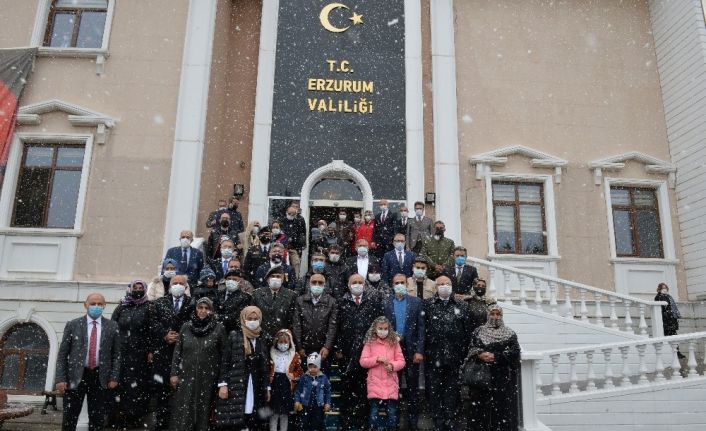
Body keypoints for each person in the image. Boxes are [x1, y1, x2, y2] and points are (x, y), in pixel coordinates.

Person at [55, 293, 120, 431]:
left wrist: (114, 377)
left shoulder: (112, 326)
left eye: (99, 304)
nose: (96, 307)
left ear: (104, 306)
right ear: (85, 305)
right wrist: (60, 378)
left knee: (97, 419)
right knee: (70, 418)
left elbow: (116, 355)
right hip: (76, 376)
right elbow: (62, 354)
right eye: (92, 304)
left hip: (100, 377)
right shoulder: (73, 325)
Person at [335, 273, 385, 431]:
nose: (357, 285)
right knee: (346, 390)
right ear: (349, 285)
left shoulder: (373, 301)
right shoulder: (341, 302)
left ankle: (364, 422)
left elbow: (378, 325)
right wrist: (338, 348)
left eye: (360, 282)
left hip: (367, 354)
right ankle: (345, 422)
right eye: (354, 282)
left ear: (365, 285)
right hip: (347, 353)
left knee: (365, 391)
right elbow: (335, 326)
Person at [170, 297, 227, 431]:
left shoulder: (219, 328)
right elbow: (177, 352)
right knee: (185, 410)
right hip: (186, 376)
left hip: (209, 377)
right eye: (200, 308)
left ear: (211, 311)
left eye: (207, 308)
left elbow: (224, 356)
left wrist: (222, 380)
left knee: (204, 411)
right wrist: (174, 373)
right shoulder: (186, 327)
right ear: (195, 309)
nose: (203, 311)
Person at [424, 276, 472, 430]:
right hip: (433, 356)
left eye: (448, 284)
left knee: (452, 390)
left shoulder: (462, 305)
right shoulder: (428, 305)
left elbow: (467, 332)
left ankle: (450, 418)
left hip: (455, 356)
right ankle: (438, 419)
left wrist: (465, 353)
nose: (445, 286)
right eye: (441, 284)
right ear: (436, 287)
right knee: (434, 389)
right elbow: (422, 331)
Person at [465, 305, 521, 431]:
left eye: (498, 314)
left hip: (502, 378)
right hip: (481, 377)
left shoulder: (510, 333)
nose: (495, 317)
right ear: (488, 315)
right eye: (492, 314)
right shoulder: (478, 331)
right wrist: (480, 354)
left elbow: (515, 352)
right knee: (480, 410)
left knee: (501, 410)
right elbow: (471, 348)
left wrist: (496, 356)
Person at [216, 306, 272, 431]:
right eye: (249, 318)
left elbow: (264, 366)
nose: (252, 321)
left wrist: (267, 387)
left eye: (255, 318)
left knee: (253, 417)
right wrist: (223, 384)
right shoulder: (234, 336)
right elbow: (225, 361)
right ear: (243, 319)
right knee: (235, 419)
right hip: (237, 384)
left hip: (256, 384)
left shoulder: (261, 338)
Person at [109, 280, 156, 428]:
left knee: (136, 386)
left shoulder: (149, 307)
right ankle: (115, 417)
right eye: (135, 287)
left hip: (139, 354)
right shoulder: (122, 307)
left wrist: (150, 350)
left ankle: (133, 418)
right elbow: (113, 326)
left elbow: (152, 330)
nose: (137, 290)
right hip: (121, 352)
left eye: (140, 288)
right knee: (118, 383)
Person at [152, 275, 194, 431]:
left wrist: (181, 337)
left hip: (184, 353)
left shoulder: (192, 304)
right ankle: (161, 424)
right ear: (169, 286)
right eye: (175, 283)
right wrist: (165, 334)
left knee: (182, 391)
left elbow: (193, 323)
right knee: (162, 390)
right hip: (163, 352)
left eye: (181, 283)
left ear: (186, 286)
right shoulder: (159, 303)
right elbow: (153, 324)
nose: (178, 285)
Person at [384, 274, 425, 431]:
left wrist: (419, 350)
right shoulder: (386, 303)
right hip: (393, 351)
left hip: (411, 350)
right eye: (397, 283)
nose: (399, 285)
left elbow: (421, 328)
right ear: (392, 285)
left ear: (407, 284)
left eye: (402, 282)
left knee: (413, 388)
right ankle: (393, 422)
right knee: (393, 387)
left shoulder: (416, 302)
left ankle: (412, 423)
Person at [359, 316, 406, 431]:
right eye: (380, 328)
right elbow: (363, 361)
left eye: (385, 328)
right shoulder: (369, 342)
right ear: (375, 328)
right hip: (375, 384)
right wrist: (377, 359)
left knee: (392, 412)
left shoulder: (394, 343)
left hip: (391, 383)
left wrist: (392, 366)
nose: (382, 331)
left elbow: (401, 361)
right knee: (373, 412)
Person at [293, 273, 338, 372]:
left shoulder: (332, 302)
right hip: (305, 349)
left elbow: (332, 326)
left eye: (320, 283)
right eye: (314, 282)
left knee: (323, 380)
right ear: (309, 284)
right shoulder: (300, 301)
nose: (317, 285)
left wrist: (327, 346)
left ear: (324, 285)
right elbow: (297, 325)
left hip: (323, 349)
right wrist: (299, 347)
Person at [267, 329, 302, 431]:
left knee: (284, 413)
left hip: (286, 385)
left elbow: (300, 372)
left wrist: (293, 375)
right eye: (280, 342)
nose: (283, 344)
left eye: (285, 342)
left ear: (290, 343)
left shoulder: (294, 356)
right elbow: (267, 369)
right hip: (275, 384)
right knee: (274, 412)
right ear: (276, 342)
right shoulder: (271, 354)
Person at [252, 266, 297, 338]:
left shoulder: (291, 296)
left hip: (282, 338)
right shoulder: (257, 294)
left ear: (283, 279)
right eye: (272, 276)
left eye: (278, 276)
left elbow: (292, 319)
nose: (275, 279)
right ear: (267, 279)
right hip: (261, 336)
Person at [294, 353, 332, 431]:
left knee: (317, 425)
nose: (312, 369)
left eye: (315, 367)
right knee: (304, 424)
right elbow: (298, 390)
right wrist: (297, 401)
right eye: (310, 367)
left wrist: (327, 403)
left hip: (318, 406)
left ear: (319, 367)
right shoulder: (304, 377)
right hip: (305, 405)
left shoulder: (323, 378)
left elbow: (327, 392)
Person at [214, 268, 253, 333]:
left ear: (239, 281)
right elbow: (214, 311)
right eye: (229, 279)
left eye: (234, 279)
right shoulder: (218, 294)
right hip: (217, 331)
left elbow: (237, 316)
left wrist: (220, 318)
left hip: (233, 331)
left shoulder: (245, 297)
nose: (231, 281)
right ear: (225, 280)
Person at [281, 205, 306, 277]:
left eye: (293, 214)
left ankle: (295, 279)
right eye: (289, 214)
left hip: (294, 248)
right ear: (286, 212)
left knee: (296, 264)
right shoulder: (282, 221)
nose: (291, 215)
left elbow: (302, 234)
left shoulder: (299, 221)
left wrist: (301, 245)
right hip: (283, 248)